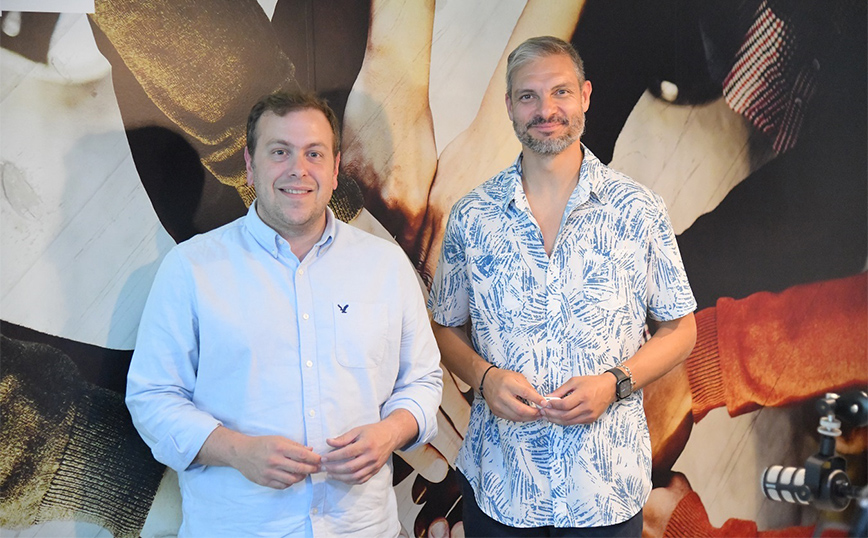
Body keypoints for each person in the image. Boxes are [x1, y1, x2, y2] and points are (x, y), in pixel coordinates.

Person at [125, 91, 443, 537]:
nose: (299, 169)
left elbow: (423, 381)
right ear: (250, 165)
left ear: (335, 168)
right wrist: (237, 451)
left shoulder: (385, 265)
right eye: (280, 152)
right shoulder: (191, 269)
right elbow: (153, 397)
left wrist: (390, 433)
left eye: (314, 153)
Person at [428, 36, 698, 537]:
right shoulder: (472, 215)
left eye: (560, 92)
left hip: (605, 488)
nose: (545, 110)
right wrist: (485, 379)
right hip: (500, 484)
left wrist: (615, 384)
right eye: (528, 96)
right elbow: (445, 326)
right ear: (509, 105)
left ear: (586, 96)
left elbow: (681, 330)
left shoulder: (638, 210)